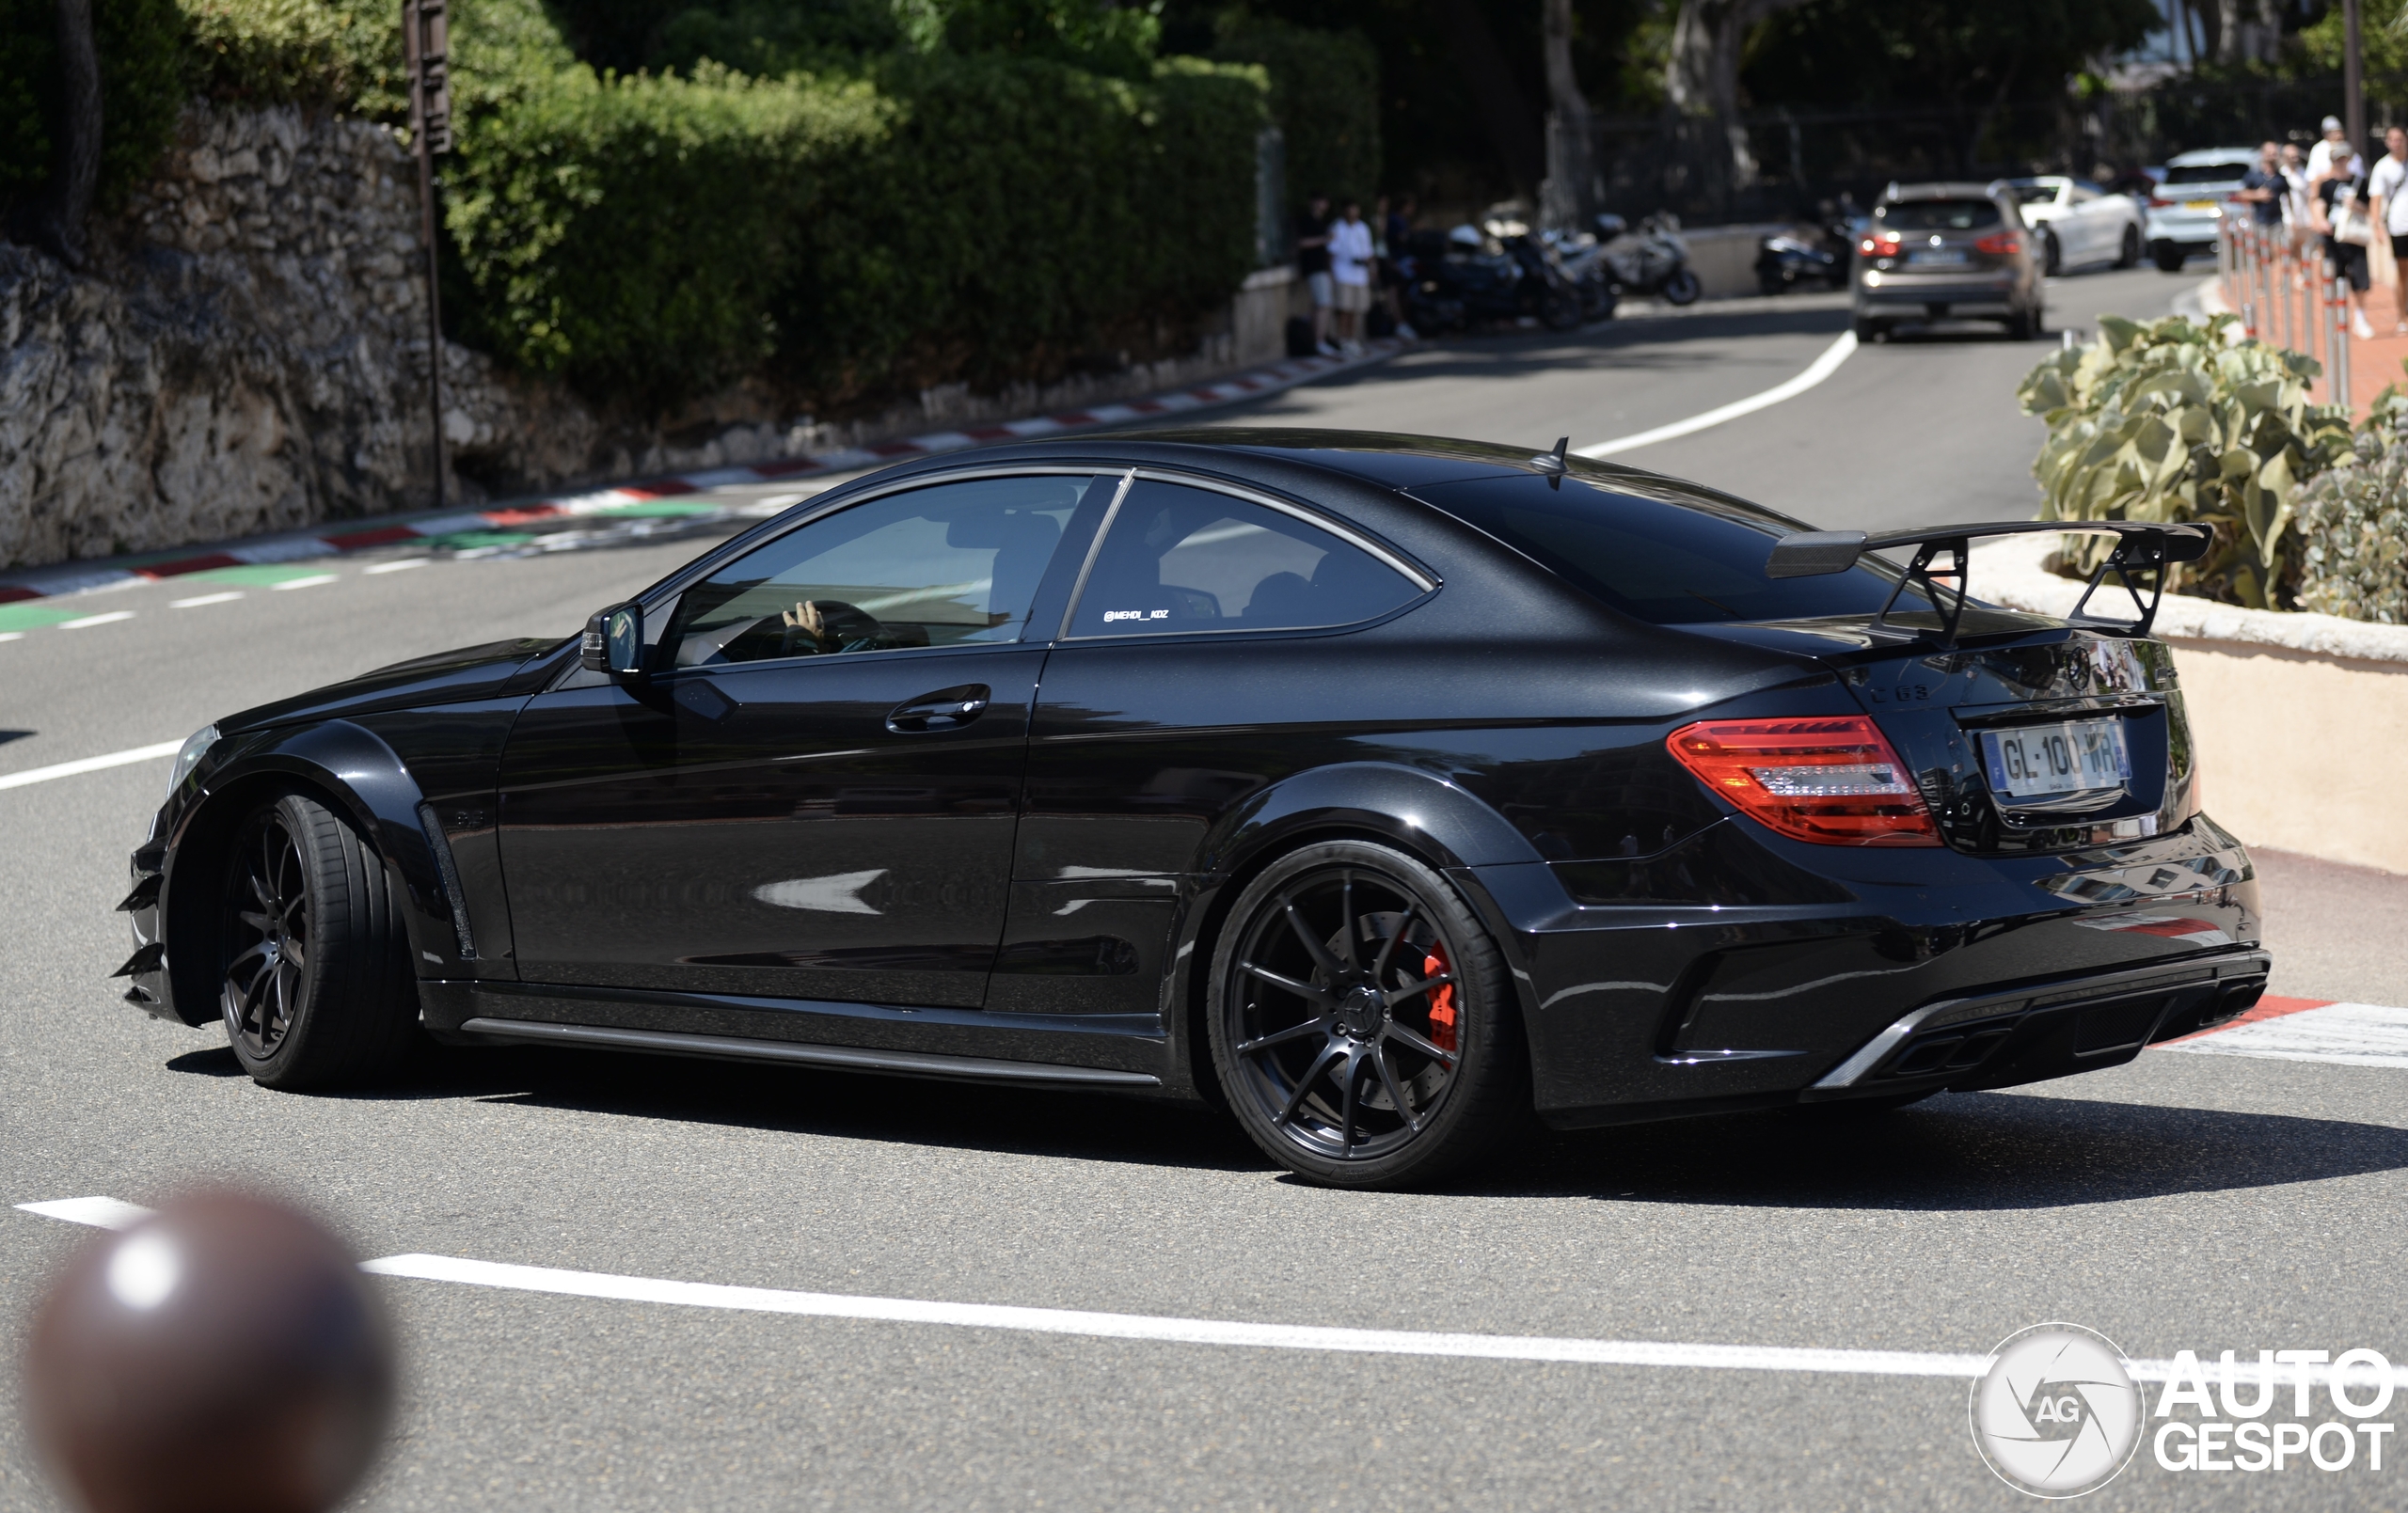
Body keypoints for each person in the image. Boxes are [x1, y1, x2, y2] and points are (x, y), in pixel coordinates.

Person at [2314, 153, 2380, 339]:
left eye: (2344, 159)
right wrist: (2320, 221)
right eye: (2337, 159)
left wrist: (2356, 204)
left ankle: (2360, 318)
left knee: (2359, 278)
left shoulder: (2359, 181)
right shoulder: (2326, 184)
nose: (2341, 163)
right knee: (2335, 277)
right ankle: (2336, 319)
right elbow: (2319, 204)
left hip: (2354, 235)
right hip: (2333, 236)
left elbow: (2369, 208)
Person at [1326, 199, 1375, 354]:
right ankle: (1342, 339)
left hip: (1359, 275)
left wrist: (1372, 268)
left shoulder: (1363, 228)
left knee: (1355, 309)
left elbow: (1368, 252)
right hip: (1343, 273)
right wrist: (1331, 274)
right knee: (1344, 308)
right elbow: (1332, 252)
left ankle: (1351, 338)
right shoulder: (1337, 227)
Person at [2372, 125, 2408, 333]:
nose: (2396, 143)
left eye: (2399, 139)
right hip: (2398, 226)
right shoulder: (2382, 167)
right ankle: (2402, 315)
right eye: (2392, 139)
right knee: (2403, 273)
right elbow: (2376, 199)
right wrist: (2377, 225)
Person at [1294, 192, 1336, 355]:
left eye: (1325, 201)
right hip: (1314, 268)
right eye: (1319, 201)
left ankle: (1319, 339)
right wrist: (1324, 239)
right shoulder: (1307, 220)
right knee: (1322, 304)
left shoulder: (1321, 222)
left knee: (1322, 305)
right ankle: (1318, 341)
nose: (1322, 205)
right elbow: (1302, 242)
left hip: (1322, 267)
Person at [2239, 141, 2287, 229]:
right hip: (2258, 220)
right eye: (2269, 153)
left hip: (2278, 220)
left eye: (2274, 153)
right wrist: (2257, 195)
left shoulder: (2280, 176)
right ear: (2263, 154)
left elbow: (2288, 196)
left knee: (2277, 242)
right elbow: (2241, 194)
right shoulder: (2253, 174)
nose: (2272, 156)